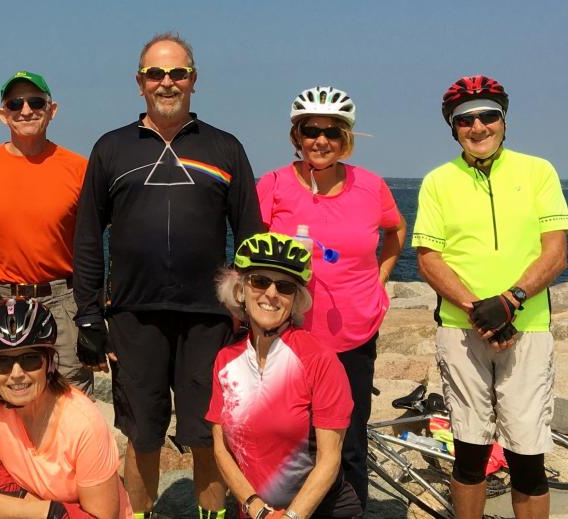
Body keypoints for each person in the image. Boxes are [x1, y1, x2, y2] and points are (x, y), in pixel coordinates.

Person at [73, 32, 264, 519]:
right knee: (142, 434)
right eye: (155, 74)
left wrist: (253, 312)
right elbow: (90, 237)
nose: (167, 82)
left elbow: (249, 238)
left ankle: (213, 515)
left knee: (208, 432)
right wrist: (90, 316)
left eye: (177, 73)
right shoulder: (110, 149)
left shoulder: (225, 147)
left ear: (193, 80)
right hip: (135, 315)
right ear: (140, 83)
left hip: (210, 318)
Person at [413, 75, 568, 519]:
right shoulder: (438, 181)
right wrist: (479, 311)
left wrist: (510, 301)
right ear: (453, 127)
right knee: (469, 454)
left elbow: (555, 252)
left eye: (488, 116)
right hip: (463, 330)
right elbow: (428, 259)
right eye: (465, 120)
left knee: (528, 461)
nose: (478, 127)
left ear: (503, 120)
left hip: (528, 329)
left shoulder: (538, 171)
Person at [254, 86, 406, 509]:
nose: (321, 140)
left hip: (353, 337)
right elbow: (250, 256)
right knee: (289, 442)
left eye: (333, 132)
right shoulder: (273, 185)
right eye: (311, 130)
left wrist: (381, 277)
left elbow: (395, 232)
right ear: (296, 136)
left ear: (347, 139)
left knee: (350, 443)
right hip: (289, 337)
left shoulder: (371, 187)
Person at [209, 233, 362, 519]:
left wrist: (291, 516)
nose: (271, 293)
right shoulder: (225, 361)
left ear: (296, 299)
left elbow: (330, 459)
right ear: (240, 290)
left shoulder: (320, 360)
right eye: (260, 281)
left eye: (285, 286)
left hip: (318, 511)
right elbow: (221, 448)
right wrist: (256, 508)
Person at [0, 70, 92, 396]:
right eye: (15, 103)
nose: (25, 110)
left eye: (36, 102)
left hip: (63, 301)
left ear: (52, 110)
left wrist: (98, 313)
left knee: (70, 397)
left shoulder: (79, 169)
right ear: (2, 114)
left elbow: (96, 245)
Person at [0, 297, 131, 519]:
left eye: (30, 360)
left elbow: (101, 516)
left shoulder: (83, 422)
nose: (17, 374)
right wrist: (53, 511)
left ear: (49, 362)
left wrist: (15, 496)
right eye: (2, 363)